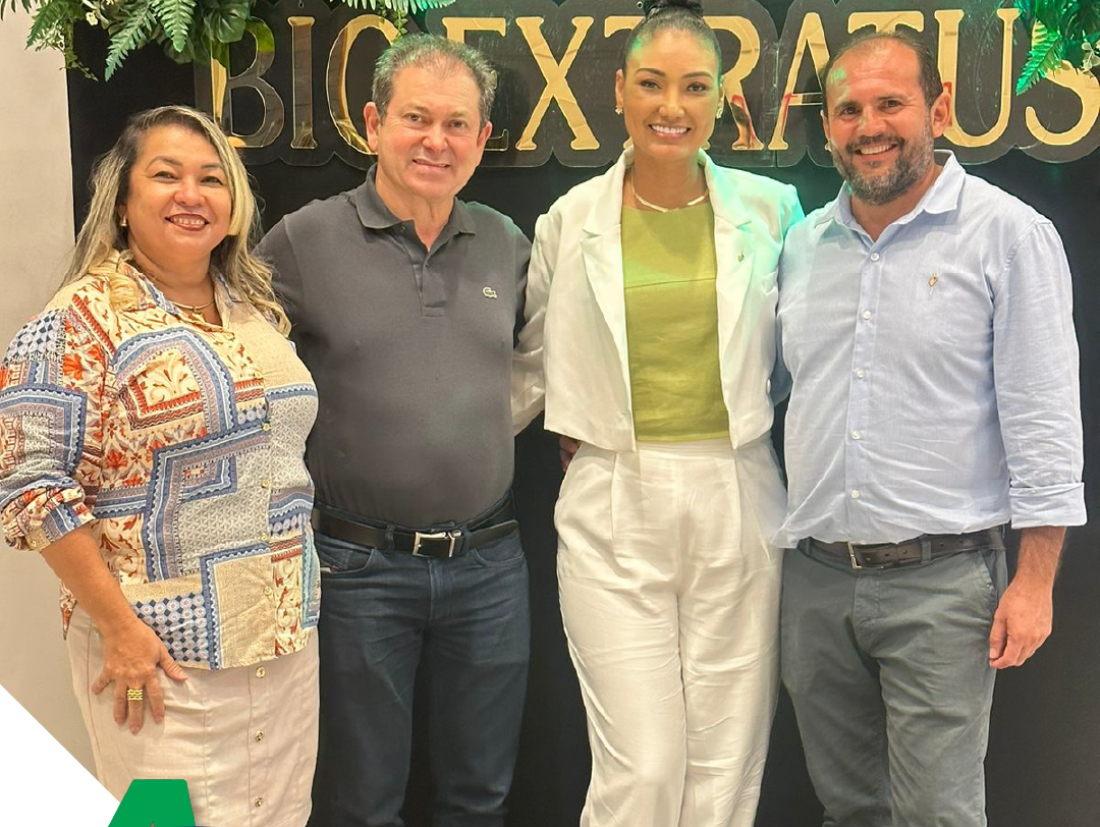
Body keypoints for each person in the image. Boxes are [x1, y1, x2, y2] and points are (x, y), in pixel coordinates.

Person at [775, 29, 1086, 827]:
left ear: (938, 110)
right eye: (849, 109)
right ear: (828, 125)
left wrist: (1036, 580)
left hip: (944, 583)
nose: (869, 126)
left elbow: (1045, 417)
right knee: (848, 808)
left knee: (937, 814)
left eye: (891, 103)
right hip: (814, 582)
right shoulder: (803, 246)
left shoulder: (1008, 235)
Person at [512, 2, 803, 824]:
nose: (671, 106)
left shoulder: (773, 211)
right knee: (642, 767)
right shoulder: (569, 219)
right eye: (651, 83)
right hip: (611, 496)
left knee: (725, 766)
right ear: (620, 91)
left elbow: (803, 354)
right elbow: (533, 363)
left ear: (720, 99)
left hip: (738, 490)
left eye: (694, 86)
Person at [0, 105, 320, 826]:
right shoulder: (77, 321)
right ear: (122, 201)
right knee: (163, 818)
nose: (191, 195)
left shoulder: (255, 311)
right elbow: (31, 485)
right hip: (156, 656)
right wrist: (119, 629)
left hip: (282, 645)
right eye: (166, 175)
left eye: (212, 178)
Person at [255, 34, 531, 827]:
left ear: (482, 138)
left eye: (456, 124)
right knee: (362, 803)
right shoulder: (303, 242)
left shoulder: (506, 243)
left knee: (480, 797)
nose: (435, 141)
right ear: (374, 124)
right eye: (416, 118)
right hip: (358, 570)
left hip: (489, 566)